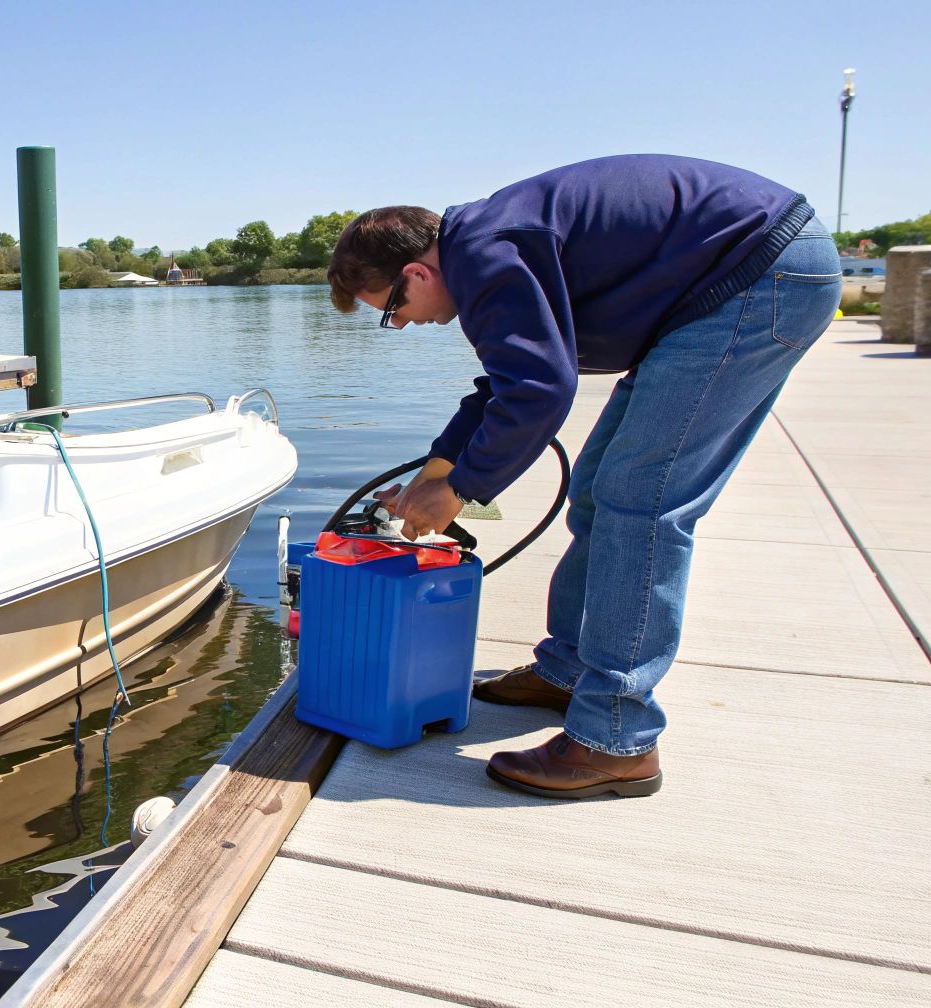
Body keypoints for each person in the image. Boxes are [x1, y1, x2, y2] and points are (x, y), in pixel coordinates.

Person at [325, 154, 841, 799]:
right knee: (600, 489)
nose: (401, 322)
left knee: (641, 502)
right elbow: (505, 386)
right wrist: (436, 475)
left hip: (759, 276)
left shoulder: (484, 254)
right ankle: (570, 672)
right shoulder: (482, 248)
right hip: (731, 281)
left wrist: (459, 490)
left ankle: (615, 738)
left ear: (416, 272)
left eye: (392, 307)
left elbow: (541, 389)